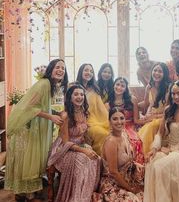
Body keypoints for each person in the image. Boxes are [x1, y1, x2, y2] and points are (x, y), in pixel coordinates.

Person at [4, 59, 68, 201]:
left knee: (34, 159)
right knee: (30, 160)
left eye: (63, 68)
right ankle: (28, 194)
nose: (60, 70)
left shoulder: (51, 86)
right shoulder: (44, 84)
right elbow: (29, 107)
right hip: (29, 127)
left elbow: (42, 106)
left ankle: (27, 192)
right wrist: (50, 117)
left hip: (37, 124)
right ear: (50, 69)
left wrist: (56, 114)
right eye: (57, 67)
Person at [144, 81, 179, 202]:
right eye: (173, 94)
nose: (176, 96)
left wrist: (171, 150)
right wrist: (154, 148)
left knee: (160, 166)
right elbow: (160, 132)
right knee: (152, 162)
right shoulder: (168, 110)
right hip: (169, 148)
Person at [47, 84, 101, 202]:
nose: (79, 97)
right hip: (64, 149)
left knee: (97, 159)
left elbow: (83, 135)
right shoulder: (65, 115)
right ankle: (76, 198)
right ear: (70, 97)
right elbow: (66, 142)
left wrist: (88, 147)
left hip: (79, 145)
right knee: (83, 161)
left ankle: (86, 194)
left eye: (82, 94)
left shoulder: (84, 112)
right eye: (76, 94)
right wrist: (84, 150)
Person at [93, 107, 144, 202]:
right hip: (113, 184)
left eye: (122, 118)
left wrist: (139, 166)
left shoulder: (124, 134)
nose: (119, 122)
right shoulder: (111, 142)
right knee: (134, 200)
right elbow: (113, 172)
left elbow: (130, 160)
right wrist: (131, 189)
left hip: (128, 178)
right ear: (109, 121)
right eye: (115, 119)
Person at [107, 77, 145, 164]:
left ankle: (137, 171)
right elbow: (109, 123)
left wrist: (150, 119)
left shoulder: (132, 100)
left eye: (122, 86)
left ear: (125, 88)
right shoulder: (108, 104)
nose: (119, 87)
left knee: (135, 142)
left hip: (131, 126)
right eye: (117, 84)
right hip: (116, 128)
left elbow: (136, 120)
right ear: (113, 86)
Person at [76, 63, 109, 155]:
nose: (89, 73)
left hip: (93, 120)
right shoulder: (73, 86)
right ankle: (100, 160)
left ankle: (107, 162)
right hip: (78, 120)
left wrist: (109, 120)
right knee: (102, 134)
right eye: (86, 70)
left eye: (91, 71)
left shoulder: (94, 89)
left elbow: (101, 109)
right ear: (81, 71)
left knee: (109, 131)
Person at [138, 62, 171, 154]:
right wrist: (148, 114)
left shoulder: (168, 88)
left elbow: (169, 111)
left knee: (151, 126)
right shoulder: (149, 87)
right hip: (152, 116)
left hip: (163, 117)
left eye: (160, 71)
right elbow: (149, 104)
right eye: (155, 70)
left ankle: (146, 153)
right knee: (143, 125)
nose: (156, 73)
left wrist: (154, 117)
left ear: (164, 74)